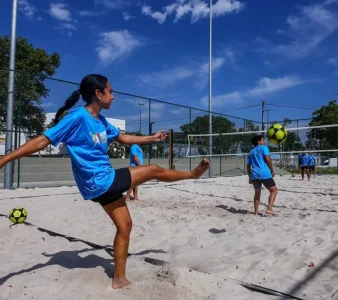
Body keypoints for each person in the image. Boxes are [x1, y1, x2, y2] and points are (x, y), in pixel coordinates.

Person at [0, 74, 210, 290]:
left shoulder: (101, 120)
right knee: (154, 170)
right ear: (98, 94)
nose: (113, 96)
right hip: (100, 181)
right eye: (110, 92)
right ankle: (191, 175)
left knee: (125, 225)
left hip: (101, 185)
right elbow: (43, 140)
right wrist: (5, 158)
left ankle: (119, 279)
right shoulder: (77, 117)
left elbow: (123, 138)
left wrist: (151, 137)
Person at [246, 135, 278, 216]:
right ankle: (269, 209)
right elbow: (267, 159)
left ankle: (256, 213)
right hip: (264, 173)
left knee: (257, 193)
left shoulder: (251, 151)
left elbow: (248, 165)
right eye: (263, 140)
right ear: (258, 141)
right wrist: (272, 169)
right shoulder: (264, 147)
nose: (264, 141)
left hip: (254, 175)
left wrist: (250, 177)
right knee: (274, 191)